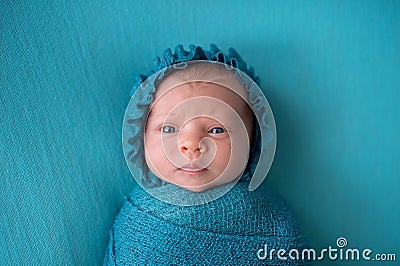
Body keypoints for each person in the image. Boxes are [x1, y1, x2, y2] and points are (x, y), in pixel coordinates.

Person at [104, 44, 310, 265]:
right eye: (169, 129)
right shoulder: (141, 219)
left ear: (253, 141)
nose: (192, 145)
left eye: (216, 130)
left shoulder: (273, 221)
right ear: (140, 137)